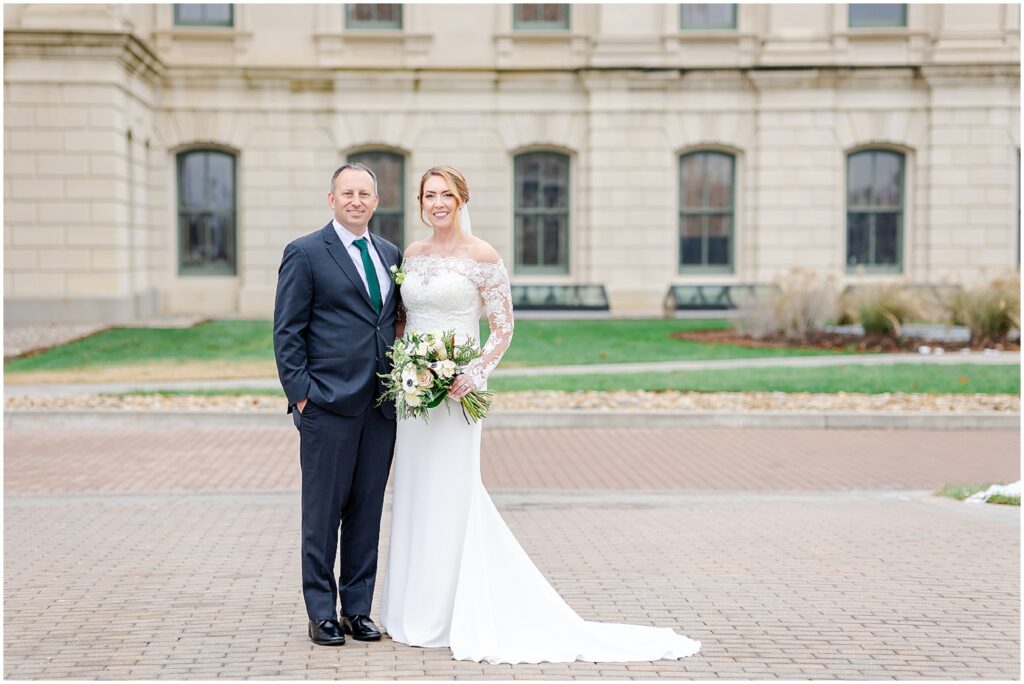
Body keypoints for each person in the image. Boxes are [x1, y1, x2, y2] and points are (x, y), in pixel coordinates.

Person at [379, 166, 702, 664]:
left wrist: (474, 373)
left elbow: (503, 329)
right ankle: (410, 610)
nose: (437, 203)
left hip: (459, 394)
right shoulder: (412, 256)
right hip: (413, 395)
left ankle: (451, 610)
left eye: (446, 194)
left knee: (452, 490)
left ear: (462, 200)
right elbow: (402, 320)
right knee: (416, 490)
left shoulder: (483, 257)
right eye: (429, 195)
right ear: (420, 202)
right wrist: (409, 367)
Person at [273, 162, 403, 647]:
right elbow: (287, 332)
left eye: (364, 194)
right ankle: (322, 612)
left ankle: (357, 609)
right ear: (331, 199)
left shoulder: (389, 253)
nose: (356, 201)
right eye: (346, 193)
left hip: (380, 406)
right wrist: (302, 396)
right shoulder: (305, 253)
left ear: (375, 201)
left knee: (367, 511)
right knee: (323, 514)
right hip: (326, 405)